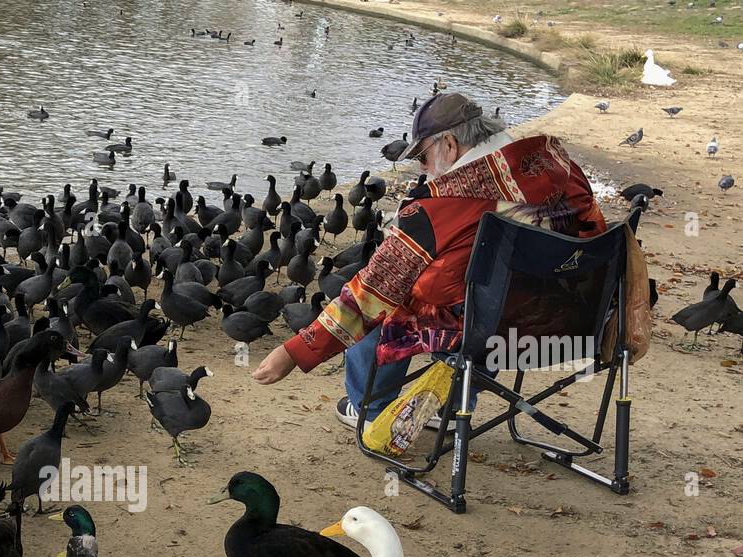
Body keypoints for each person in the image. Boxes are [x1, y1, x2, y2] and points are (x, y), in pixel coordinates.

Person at [253, 93, 607, 428]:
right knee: (485, 288)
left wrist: (295, 351)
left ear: (450, 145)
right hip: (565, 322)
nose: (423, 168)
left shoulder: (439, 209)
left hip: (487, 333)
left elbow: (368, 295)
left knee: (388, 299)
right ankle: (453, 404)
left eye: (422, 156)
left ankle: (370, 409)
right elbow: (593, 228)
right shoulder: (559, 166)